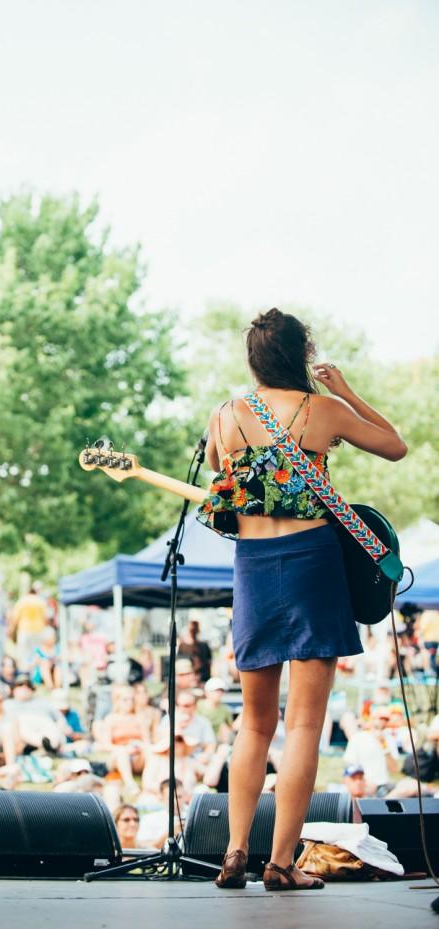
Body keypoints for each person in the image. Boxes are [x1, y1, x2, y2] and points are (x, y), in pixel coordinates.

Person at [197, 308, 407, 891]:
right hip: (312, 565)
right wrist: (347, 393)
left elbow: (216, 466)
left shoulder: (226, 414)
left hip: (254, 570)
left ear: (253, 361)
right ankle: (281, 863)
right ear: (302, 354)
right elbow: (395, 446)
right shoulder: (324, 411)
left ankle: (235, 852)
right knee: (306, 725)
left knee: (253, 725)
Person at [177, 618, 212, 683]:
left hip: (203, 677)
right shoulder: (183, 646)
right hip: (187, 679)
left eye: (195, 629)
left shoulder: (204, 646)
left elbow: (209, 663)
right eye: (192, 629)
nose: (193, 631)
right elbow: (180, 664)